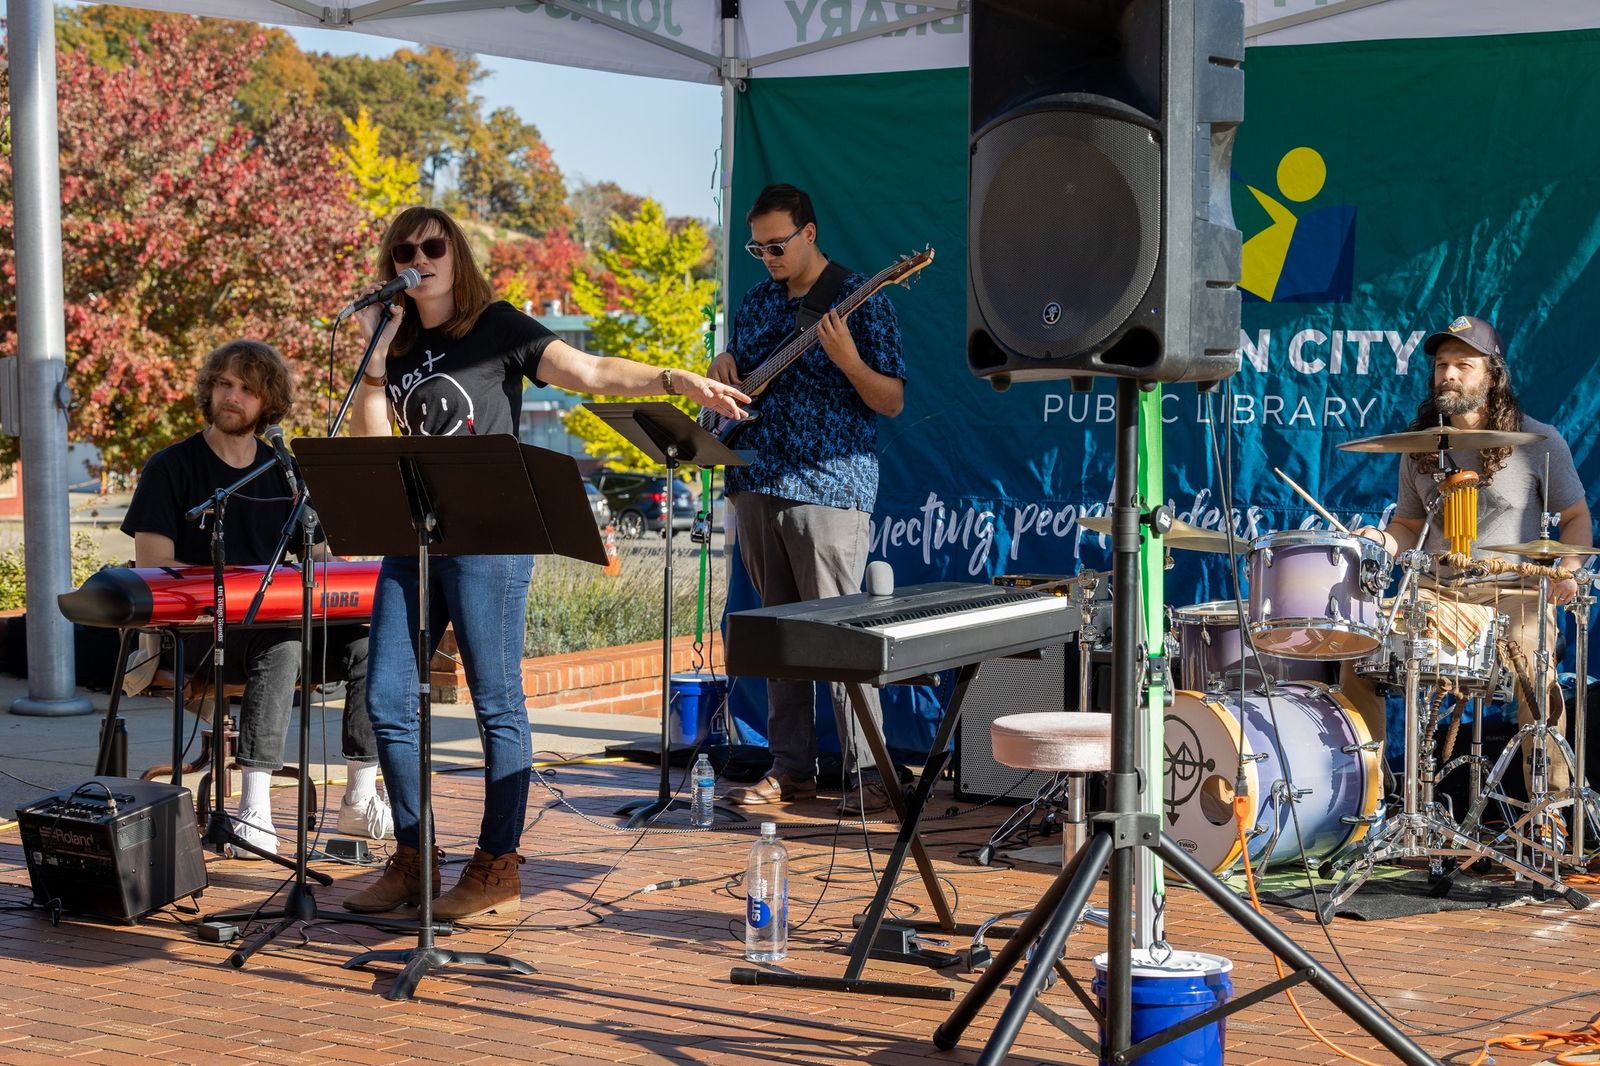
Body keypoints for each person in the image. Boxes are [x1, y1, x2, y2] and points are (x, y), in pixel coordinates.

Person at [341, 206, 748, 921]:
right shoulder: (394, 343)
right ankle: (412, 857)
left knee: (496, 702)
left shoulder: (496, 325)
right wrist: (374, 366)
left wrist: (672, 379)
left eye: (432, 246)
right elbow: (374, 453)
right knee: (387, 701)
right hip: (417, 540)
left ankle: (496, 865)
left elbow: (588, 370)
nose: (418, 258)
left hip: (492, 539)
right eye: (403, 250)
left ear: (456, 255)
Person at [121, 339, 391, 858]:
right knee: (282, 642)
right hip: (198, 632)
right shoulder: (170, 467)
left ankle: (360, 796)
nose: (232, 396)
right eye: (224, 384)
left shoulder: (285, 472)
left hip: (276, 623)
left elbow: (320, 558)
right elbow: (156, 569)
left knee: (367, 642)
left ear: (268, 402)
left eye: (247, 389)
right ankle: (254, 811)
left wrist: (346, 570)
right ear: (209, 389)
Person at [707, 184, 907, 816]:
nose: (768, 257)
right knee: (781, 640)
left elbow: (892, 400)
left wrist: (849, 361)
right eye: (758, 248)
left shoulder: (862, 299)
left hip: (829, 489)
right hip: (756, 482)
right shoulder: (757, 301)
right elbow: (740, 381)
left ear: (809, 233)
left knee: (842, 640)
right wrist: (723, 364)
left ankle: (870, 775)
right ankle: (790, 770)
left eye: (777, 245)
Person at [1346, 314, 1592, 805]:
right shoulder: (1419, 447)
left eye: (1464, 365)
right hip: (1436, 591)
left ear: (1493, 376)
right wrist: (1379, 540)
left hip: (1512, 593)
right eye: (1442, 365)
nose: (1449, 375)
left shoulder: (1539, 442)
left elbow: (1576, 517)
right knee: (1361, 648)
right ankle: (1366, 799)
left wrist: (1568, 573)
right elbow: (1408, 526)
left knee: (1535, 661)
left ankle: (1551, 807)